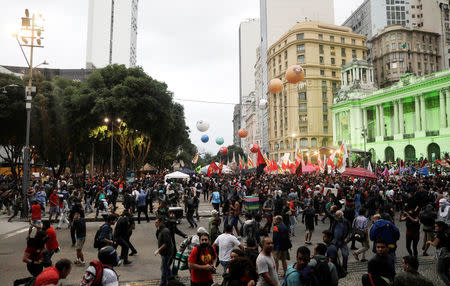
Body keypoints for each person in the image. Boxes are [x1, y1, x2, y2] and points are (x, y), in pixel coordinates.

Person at [426, 221, 450, 285]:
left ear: (441, 227)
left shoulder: (440, 234)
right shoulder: (447, 232)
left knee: (440, 272)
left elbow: (435, 244)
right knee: (446, 272)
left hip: (442, 254)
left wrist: (429, 242)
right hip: (448, 253)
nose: (435, 227)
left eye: (436, 226)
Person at [155, 218, 174, 286]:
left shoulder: (165, 231)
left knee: (164, 268)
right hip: (164, 252)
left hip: (167, 253)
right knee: (166, 267)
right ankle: (172, 278)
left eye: (156, 223)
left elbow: (166, 243)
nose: (155, 224)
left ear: (161, 222)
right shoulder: (160, 230)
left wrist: (158, 250)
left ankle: (163, 283)